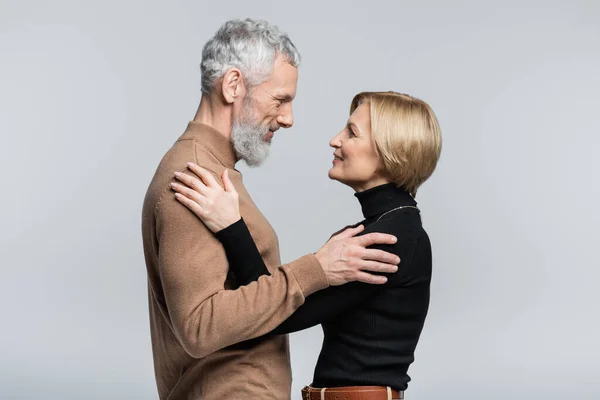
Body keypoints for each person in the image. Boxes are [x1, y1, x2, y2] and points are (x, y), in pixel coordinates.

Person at [141, 19, 402, 400]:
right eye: (280, 99)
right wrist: (318, 268)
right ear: (233, 85)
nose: (288, 118)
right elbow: (198, 326)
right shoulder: (195, 176)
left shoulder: (215, 171)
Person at [170, 91, 442, 400]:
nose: (335, 140)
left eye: (352, 132)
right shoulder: (383, 229)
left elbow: (277, 316)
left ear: (391, 150)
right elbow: (278, 303)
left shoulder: (390, 238)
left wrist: (231, 227)